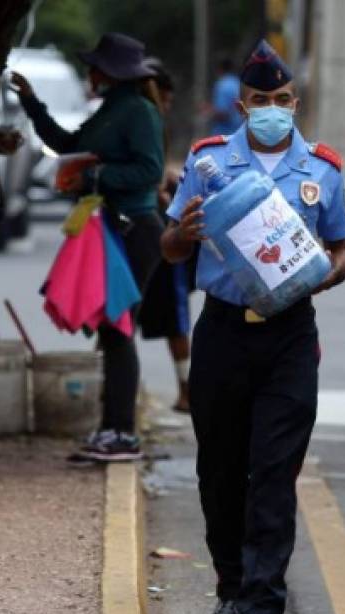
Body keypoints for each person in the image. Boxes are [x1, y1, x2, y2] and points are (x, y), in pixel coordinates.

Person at [161, 39, 345, 614]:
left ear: (294, 103)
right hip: (221, 331)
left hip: (290, 336)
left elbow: (342, 248)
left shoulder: (321, 170)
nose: (271, 107)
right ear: (242, 106)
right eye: (259, 100)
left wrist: (327, 269)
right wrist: (182, 235)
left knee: (273, 470)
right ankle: (230, 586)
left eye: (280, 99)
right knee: (220, 468)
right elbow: (169, 246)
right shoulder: (209, 161)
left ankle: (263, 606)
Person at [11, 32, 164, 461]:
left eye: (95, 67)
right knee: (110, 331)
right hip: (113, 228)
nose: (90, 74)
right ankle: (111, 429)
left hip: (135, 230)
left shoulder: (139, 113)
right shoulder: (112, 110)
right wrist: (32, 103)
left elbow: (149, 171)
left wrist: (97, 179)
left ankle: (122, 433)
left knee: (117, 330)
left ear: (110, 73)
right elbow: (67, 145)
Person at [137, 57, 196, 413]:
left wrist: (168, 181)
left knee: (122, 311)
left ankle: (186, 389)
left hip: (144, 223)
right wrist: (162, 187)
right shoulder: (147, 117)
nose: (168, 104)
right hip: (154, 226)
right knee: (172, 317)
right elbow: (152, 174)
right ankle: (187, 390)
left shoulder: (142, 116)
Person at [210, 57, 243, 136]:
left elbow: (223, 113)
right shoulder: (238, 83)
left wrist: (209, 113)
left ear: (219, 69)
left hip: (225, 135)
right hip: (240, 132)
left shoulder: (222, 85)